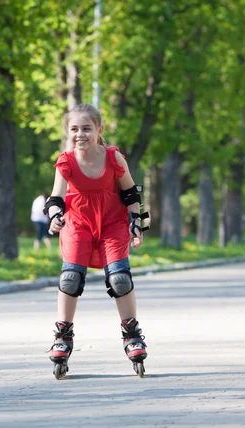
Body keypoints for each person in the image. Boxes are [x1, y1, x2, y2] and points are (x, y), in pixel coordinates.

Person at [44, 103, 150, 375]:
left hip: (112, 223)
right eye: (74, 129)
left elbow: (130, 193)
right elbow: (56, 197)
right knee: (70, 278)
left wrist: (135, 223)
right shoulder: (66, 161)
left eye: (87, 128)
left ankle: (131, 334)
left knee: (120, 278)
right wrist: (55, 215)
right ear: (68, 132)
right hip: (77, 223)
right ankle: (63, 336)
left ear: (99, 130)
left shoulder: (114, 158)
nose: (80, 134)